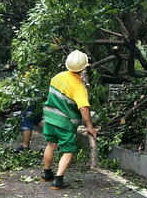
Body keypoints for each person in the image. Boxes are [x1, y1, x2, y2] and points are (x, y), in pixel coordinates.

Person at [40, 50, 98, 190]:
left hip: (49, 118)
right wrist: (90, 126)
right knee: (68, 150)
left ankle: (46, 174)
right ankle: (58, 180)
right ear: (84, 68)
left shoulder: (57, 77)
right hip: (64, 122)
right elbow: (84, 108)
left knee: (51, 144)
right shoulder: (78, 87)